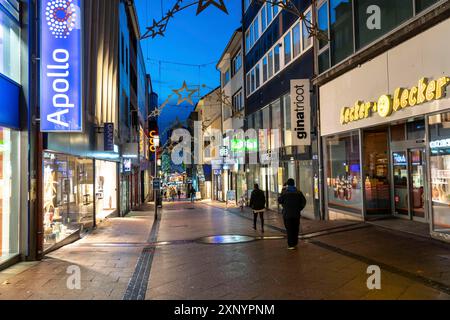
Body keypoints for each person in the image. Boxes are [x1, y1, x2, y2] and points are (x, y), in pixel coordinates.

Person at [278, 179, 307, 250]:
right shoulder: (298, 192)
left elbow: (279, 200)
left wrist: (282, 191)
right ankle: (295, 243)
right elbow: (304, 202)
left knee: (289, 229)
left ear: (287, 184)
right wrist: (299, 209)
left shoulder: (284, 192)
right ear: (294, 184)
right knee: (295, 228)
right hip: (296, 214)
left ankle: (291, 245)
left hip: (287, 214)